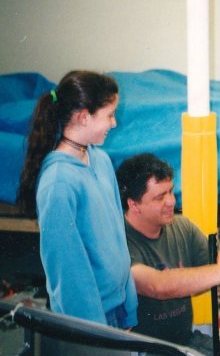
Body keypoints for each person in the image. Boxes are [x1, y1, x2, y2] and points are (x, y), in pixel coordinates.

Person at [116, 153, 220, 354]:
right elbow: (157, 285)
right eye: (160, 197)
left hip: (183, 341)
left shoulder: (182, 227)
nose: (171, 202)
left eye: (171, 192)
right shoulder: (118, 242)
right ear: (134, 204)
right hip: (143, 350)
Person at [17, 71, 138, 329]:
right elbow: (68, 273)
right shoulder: (59, 182)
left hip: (117, 309)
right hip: (90, 319)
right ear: (84, 117)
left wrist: (129, 307)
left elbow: (119, 241)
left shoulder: (101, 161)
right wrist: (93, 334)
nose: (114, 123)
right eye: (109, 115)